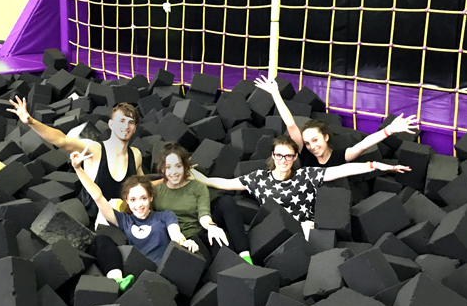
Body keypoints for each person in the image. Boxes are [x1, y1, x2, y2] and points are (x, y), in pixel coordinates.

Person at [190, 135, 411, 238]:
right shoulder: (258, 178)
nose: (283, 160)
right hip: (274, 233)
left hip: (306, 230)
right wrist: (195, 175)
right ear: (273, 156)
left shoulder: (306, 175)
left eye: (288, 156)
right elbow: (225, 183)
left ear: (295, 157)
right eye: (279, 155)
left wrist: (376, 165)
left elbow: (343, 170)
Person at [71, 145, 199, 291]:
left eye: (143, 198)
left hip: (162, 275)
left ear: (151, 198)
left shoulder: (165, 216)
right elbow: (98, 197)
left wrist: (184, 242)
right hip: (136, 276)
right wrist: (78, 169)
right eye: (133, 200)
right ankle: (117, 281)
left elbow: (175, 233)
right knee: (101, 240)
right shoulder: (124, 220)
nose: (139, 205)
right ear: (126, 201)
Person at [7, 96, 143, 225]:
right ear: (111, 124)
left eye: (131, 122)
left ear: (134, 128)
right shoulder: (95, 149)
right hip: (87, 221)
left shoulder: (136, 155)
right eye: (122, 121)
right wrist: (31, 121)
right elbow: (62, 140)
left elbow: (144, 187)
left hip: (119, 223)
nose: (126, 126)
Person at [253, 75, 419, 167]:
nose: (312, 146)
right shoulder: (304, 152)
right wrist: (275, 93)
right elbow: (290, 124)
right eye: (308, 143)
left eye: (315, 140)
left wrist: (389, 130)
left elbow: (363, 144)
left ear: (325, 137)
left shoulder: (340, 157)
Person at [153, 143, 253, 265]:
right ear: (162, 169)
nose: (173, 172)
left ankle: (245, 258)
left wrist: (211, 227)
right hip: (179, 241)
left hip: (200, 233)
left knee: (225, 253)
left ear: (185, 166)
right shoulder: (156, 192)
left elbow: (204, 213)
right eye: (168, 167)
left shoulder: (198, 187)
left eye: (178, 166)